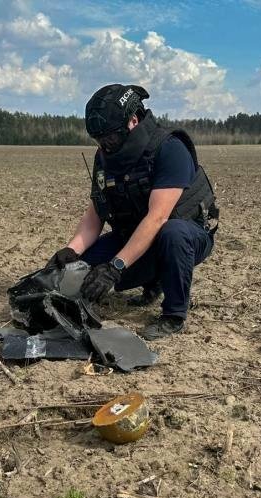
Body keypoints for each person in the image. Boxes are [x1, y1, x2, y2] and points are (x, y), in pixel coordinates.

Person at [44, 84, 218, 340]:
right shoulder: (104, 158)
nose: (104, 146)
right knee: (82, 269)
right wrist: (71, 251)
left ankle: (174, 314)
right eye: (98, 140)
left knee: (173, 233)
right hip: (134, 233)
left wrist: (115, 267)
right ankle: (153, 280)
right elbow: (96, 213)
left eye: (110, 138)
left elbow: (158, 218)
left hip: (184, 236)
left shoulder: (169, 149)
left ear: (133, 121)